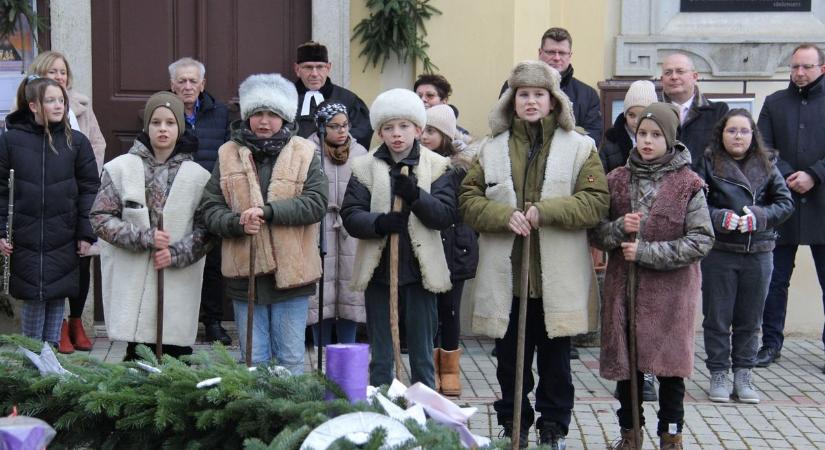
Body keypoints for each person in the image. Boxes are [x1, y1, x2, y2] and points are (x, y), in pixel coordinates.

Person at [461, 60, 609, 448]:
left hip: (554, 279)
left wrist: (546, 212)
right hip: (507, 277)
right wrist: (502, 215)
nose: (530, 101)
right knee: (510, 362)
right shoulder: (490, 148)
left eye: (538, 94)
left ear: (553, 101)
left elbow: (595, 202)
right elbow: (468, 200)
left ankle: (553, 426)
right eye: (522, 94)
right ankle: (513, 424)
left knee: (556, 362)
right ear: (511, 101)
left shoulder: (581, 147)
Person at [591, 102, 714, 450]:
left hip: (671, 294)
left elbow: (702, 239)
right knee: (626, 369)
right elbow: (596, 233)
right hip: (624, 291)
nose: (647, 141)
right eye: (642, 133)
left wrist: (646, 252)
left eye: (656, 135)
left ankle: (670, 435)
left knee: (670, 370)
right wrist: (618, 228)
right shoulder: (617, 179)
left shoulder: (688, 184)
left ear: (670, 138)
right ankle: (630, 433)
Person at [200, 74, 327, 373]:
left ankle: (290, 418)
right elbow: (210, 206)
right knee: (253, 360)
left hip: (292, 275)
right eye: (258, 113)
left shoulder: (304, 152)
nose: (264, 121)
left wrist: (269, 212)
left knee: (291, 359)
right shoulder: (227, 153)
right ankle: (256, 417)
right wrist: (235, 223)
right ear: (247, 116)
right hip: (246, 275)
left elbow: (316, 202)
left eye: (272, 114)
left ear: (284, 117)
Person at [341, 88, 455, 389]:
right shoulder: (364, 167)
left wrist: (416, 196)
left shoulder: (437, 166)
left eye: (404, 126)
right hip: (380, 274)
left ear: (418, 128)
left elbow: (444, 214)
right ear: (379, 131)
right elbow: (351, 214)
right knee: (382, 353)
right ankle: (381, 407)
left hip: (420, 273)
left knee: (421, 353)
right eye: (389, 128)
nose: (397, 134)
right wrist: (379, 222)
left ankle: (425, 415)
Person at [91, 92, 211, 361]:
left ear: (180, 127)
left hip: (177, 278)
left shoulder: (199, 177)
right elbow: (100, 217)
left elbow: (207, 229)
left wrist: (176, 253)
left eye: (170, 122)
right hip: (133, 277)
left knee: (176, 353)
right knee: (139, 353)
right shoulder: (120, 169)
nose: (163, 129)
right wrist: (144, 237)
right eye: (156, 122)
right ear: (147, 126)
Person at [696, 109, 793, 404]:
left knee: (750, 319)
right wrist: (719, 216)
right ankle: (718, 374)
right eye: (731, 130)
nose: (738, 136)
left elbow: (785, 203)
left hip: (759, 252)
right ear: (721, 134)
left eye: (744, 131)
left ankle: (743, 373)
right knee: (717, 318)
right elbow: (696, 202)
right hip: (721, 253)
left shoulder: (768, 164)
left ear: (753, 136)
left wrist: (760, 216)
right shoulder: (709, 163)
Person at [0, 77, 99, 348]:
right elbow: (0, 189)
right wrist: (1, 232)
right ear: (33, 105)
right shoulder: (10, 141)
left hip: (63, 234)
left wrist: (85, 233)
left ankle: (50, 357)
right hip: (25, 235)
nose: (59, 106)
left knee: (57, 294)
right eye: (50, 100)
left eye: (61, 100)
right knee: (33, 297)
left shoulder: (76, 142)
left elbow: (90, 189)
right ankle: (31, 358)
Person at [26, 50, 106, 354]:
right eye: (52, 72)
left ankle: (75, 322)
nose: (59, 77)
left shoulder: (80, 107)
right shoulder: (26, 110)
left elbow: (96, 141)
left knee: (80, 263)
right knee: (51, 267)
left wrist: (86, 171)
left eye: (63, 71)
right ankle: (56, 326)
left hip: (75, 198)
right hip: (46, 204)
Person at [755, 43, 825, 370]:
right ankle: (770, 344)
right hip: (781, 205)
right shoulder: (774, 103)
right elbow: (763, 148)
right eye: (795, 66)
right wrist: (786, 177)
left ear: (821, 69)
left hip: (822, 204)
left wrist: (814, 174)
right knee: (774, 280)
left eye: (807, 67)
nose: (799, 72)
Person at [600, 79, 660, 403]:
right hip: (623, 237)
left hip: (655, 244)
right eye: (633, 115)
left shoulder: (664, 144)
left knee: (649, 313)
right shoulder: (611, 145)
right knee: (623, 308)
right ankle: (625, 372)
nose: (639, 122)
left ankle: (648, 371)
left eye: (645, 114)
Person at [168, 57, 232, 346]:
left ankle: (214, 322)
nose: (187, 86)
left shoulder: (220, 113)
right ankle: (180, 323)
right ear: (172, 85)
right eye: (181, 81)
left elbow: (230, 154)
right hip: (176, 198)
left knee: (213, 264)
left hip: (211, 197)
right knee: (179, 259)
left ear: (203, 84)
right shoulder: (164, 112)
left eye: (193, 80)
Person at [420, 104, 479, 396]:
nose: (423, 136)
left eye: (430, 131)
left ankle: (451, 369)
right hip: (428, 246)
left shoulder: (460, 169)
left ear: (444, 134)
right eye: (422, 130)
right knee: (428, 310)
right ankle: (430, 367)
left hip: (456, 249)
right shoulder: (417, 164)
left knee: (450, 310)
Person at [306, 101, 368, 346]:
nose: (342, 131)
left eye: (345, 125)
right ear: (322, 127)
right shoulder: (308, 151)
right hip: (318, 228)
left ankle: (347, 348)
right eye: (334, 126)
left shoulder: (360, 153)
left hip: (350, 230)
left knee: (350, 289)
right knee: (321, 289)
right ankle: (320, 347)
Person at [499, 27, 603, 147]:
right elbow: (503, 126)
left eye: (562, 53)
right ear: (540, 53)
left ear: (570, 55)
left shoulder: (588, 95)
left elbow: (592, 138)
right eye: (551, 52)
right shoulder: (514, 85)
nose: (557, 58)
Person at [293, 41, 372, 146]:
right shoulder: (285, 99)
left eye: (320, 67)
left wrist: (333, 149)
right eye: (308, 67)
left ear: (328, 68)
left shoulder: (348, 99)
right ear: (297, 69)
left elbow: (362, 132)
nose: (314, 74)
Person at [660, 53, 729, 169]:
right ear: (662, 80)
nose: (674, 77)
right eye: (668, 73)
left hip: (706, 184)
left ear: (695, 76)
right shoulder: (653, 114)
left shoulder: (718, 112)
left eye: (680, 71)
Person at [599, 80, 658, 174]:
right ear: (625, 114)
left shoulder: (661, 140)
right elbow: (599, 175)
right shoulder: (611, 142)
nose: (636, 121)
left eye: (642, 115)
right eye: (631, 115)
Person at [414, 73, 472, 138]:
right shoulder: (406, 126)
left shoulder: (460, 135)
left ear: (444, 100)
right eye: (419, 96)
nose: (423, 99)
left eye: (430, 95)